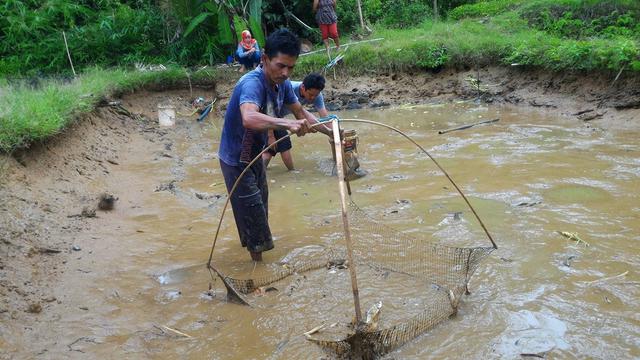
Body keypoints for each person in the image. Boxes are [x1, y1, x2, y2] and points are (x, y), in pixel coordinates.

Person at [218, 29, 331, 262]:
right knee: (252, 210)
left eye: (290, 67)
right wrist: (286, 125)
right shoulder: (252, 84)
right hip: (235, 158)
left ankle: (254, 252)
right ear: (264, 59)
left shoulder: (284, 84)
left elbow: (301, 112)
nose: (285, 72)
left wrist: (330, 133)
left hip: (254, 153)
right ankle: (257, 270)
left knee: (259, 210)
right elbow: (249, 117)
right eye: (280, 66)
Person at [263, 73, 329, 170]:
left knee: (270, 150)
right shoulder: (289, 88)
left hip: (278, 118)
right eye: (310, 95)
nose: (312, 98)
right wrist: (271, 135)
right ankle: (291, 172)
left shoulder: (316, 95)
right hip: (268, 117)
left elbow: (324, 118)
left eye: (315, 95)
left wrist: (331, 133)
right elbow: (269, 109)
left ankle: (260, 173)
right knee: (281, 145)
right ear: (303, 87)